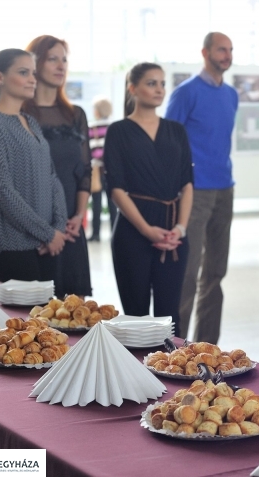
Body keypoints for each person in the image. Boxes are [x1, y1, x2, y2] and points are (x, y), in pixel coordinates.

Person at [103, 63, 193, 327]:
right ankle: (133, 369)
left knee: (170, 317)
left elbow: (187, 184)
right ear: (133, 89)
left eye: (163, 83)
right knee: (135, 316)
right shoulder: (118, 131)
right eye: (152, 83)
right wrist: (146, 230)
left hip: (173, 231)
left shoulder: (176, 130)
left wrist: (181, 228)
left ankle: (170, 367)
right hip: (133, 231)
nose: (160, 89)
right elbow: (116, 189)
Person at [0, 49, 70, 282]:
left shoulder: (30, 122)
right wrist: (48, 234)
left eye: (33, 73)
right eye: (23, 72)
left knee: (47, 318)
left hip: (47, 242)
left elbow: (52, 178)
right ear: (0, 77)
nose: (32, 80)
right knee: (24, 318)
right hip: (13, 246)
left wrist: (59, 230)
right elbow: (3, 192)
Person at [166, 32, 237, 343]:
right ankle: (177, 346)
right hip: (195, 191)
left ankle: (207, 345)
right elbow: (169, 143)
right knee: (188, 273)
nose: (227, 55)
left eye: (230, 50)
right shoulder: (185, 93)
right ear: (205, 52)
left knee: (215, 273)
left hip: (225, 188)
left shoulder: (231, 94)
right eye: (222, 49)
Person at [23, 35, 92, 299]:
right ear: (35, 63)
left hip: (72, 229)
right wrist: (44, 229)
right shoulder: (20, 114)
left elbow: (84, 171)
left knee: (75, 314)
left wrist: (78, 216)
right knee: (34, 321)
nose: (61, 65)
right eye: (53, 58)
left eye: (64, 59)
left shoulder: (76, 115)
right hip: (36, 230)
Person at [88, 98, 117, 241]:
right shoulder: (115, 126)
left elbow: (91, 150)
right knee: (113, 201)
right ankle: (114, 232)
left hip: (97, 170)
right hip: (112, 170)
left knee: (96, 202)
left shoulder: (91, 127)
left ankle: (95, 234)